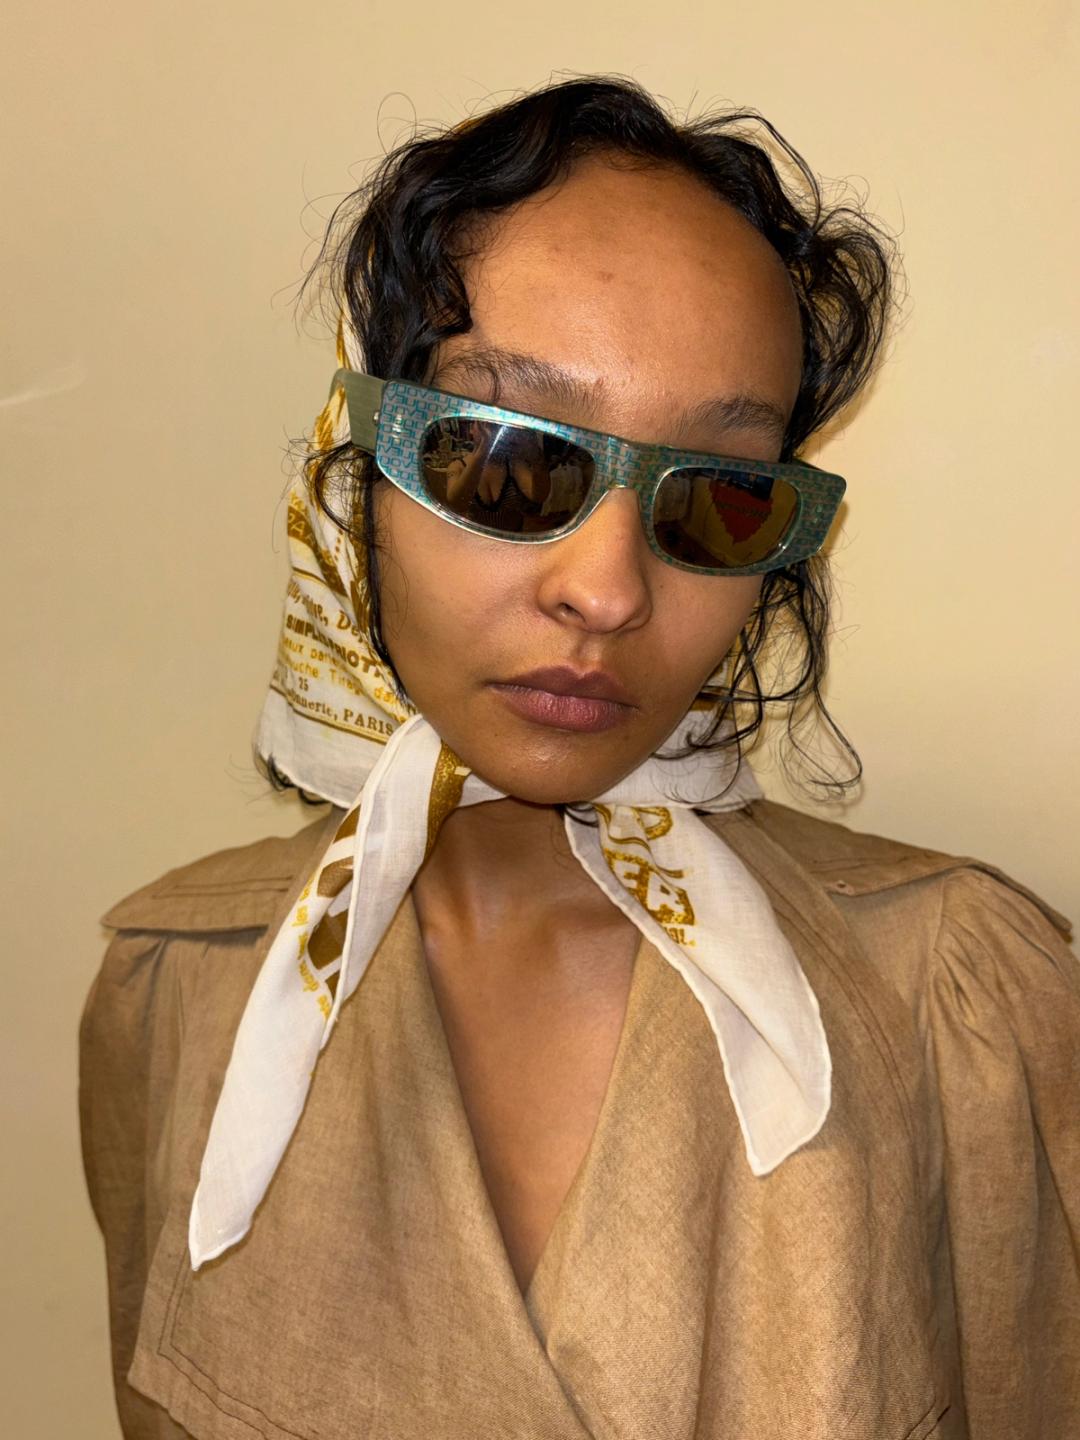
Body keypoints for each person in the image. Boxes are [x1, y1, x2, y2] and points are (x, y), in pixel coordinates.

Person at [79, 76, 1080, 1440]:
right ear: (355, 471)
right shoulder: (176, 994)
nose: (606, 591)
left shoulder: (963, 1000)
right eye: (505, 461)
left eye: (718, 496)